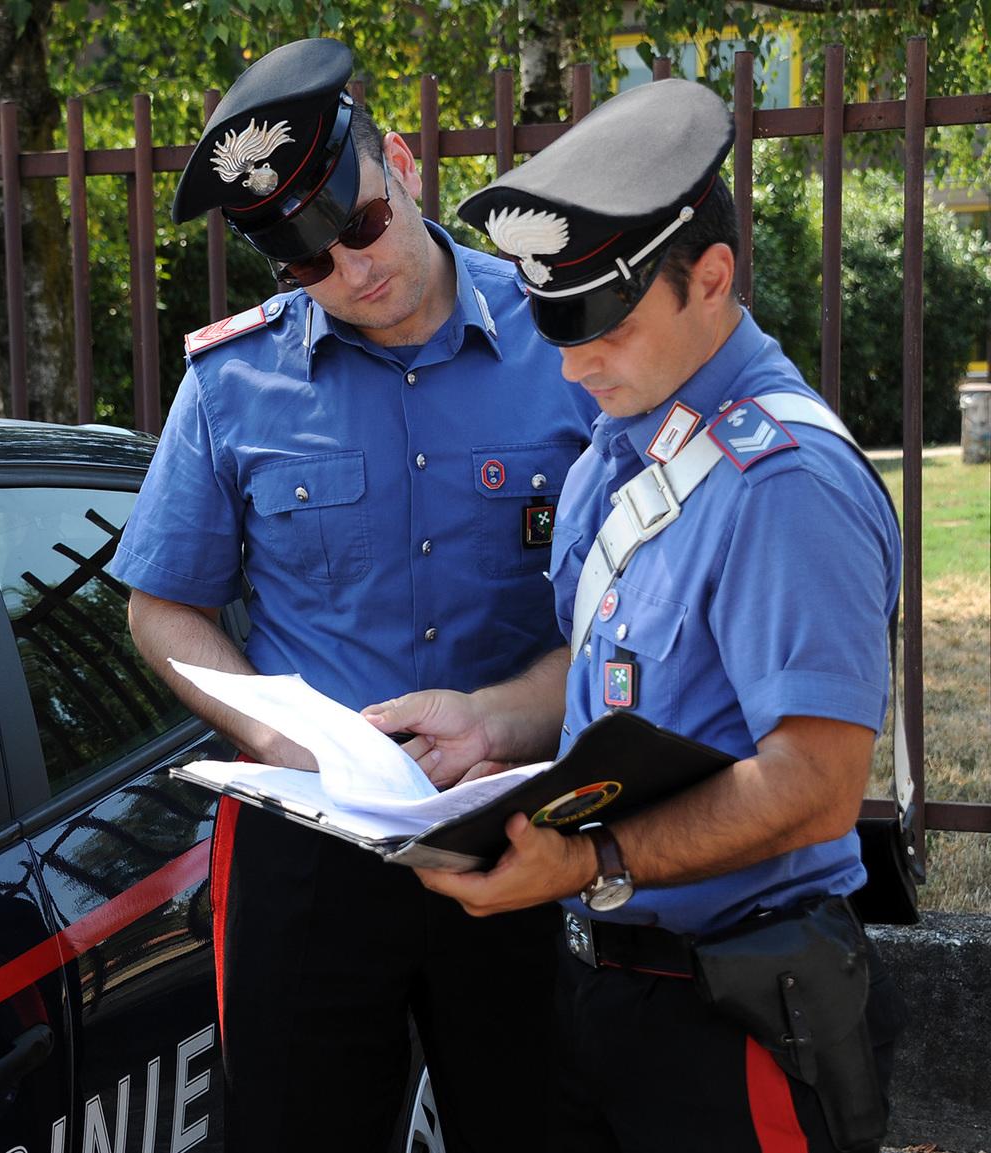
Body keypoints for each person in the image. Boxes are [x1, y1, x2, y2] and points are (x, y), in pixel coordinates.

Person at [364, 77, 907, 1152]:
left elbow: (815, 788)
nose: (570, 362)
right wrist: (495, 727)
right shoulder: (625, 439)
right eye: (551, 324)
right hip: (608, 991)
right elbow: (623, 679)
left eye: (602, 323)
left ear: (712, 278)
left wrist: (589, 860)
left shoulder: (783, 483)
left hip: (738, 1013)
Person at [107, 37, 599, 1153]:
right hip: (312, 858)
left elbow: (633, 614)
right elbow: (162, 605)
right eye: (309, 262)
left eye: (364, 224)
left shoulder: (565, 346)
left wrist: (506, 718)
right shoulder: (235, 382)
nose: (354, 271)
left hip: (523, 824)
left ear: (408, 165)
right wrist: (282, 736)